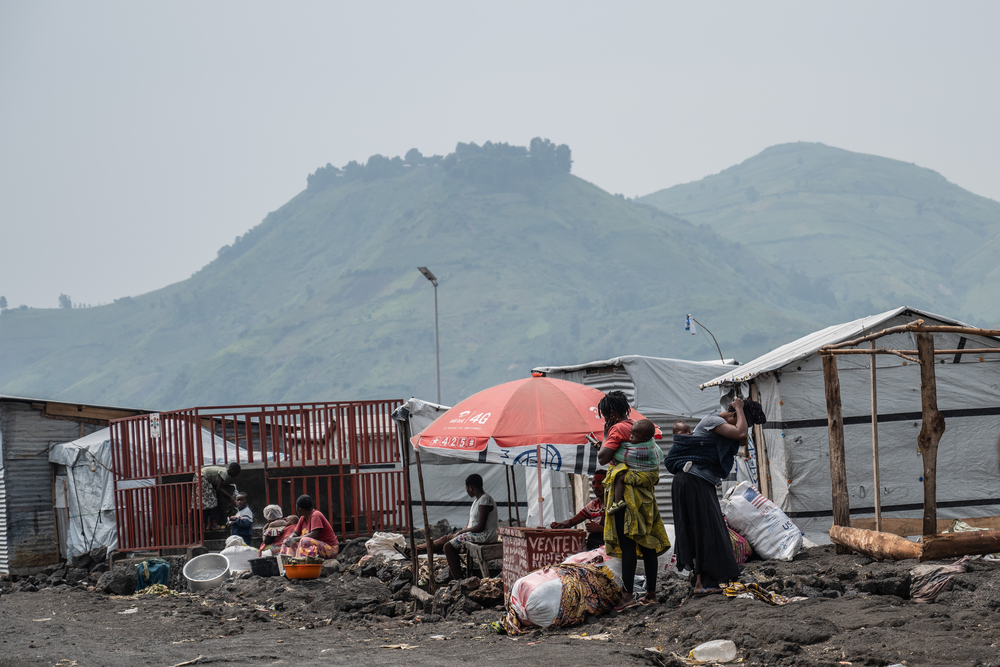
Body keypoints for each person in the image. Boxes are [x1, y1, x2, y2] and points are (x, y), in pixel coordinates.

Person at [593, 390, 670, 609]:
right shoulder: (636, 426)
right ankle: (651, 594)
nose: (605, 420)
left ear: (612, 412)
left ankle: (627, 597)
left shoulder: (617, 428)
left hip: (627, 495)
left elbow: (603, 458)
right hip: (645, 495)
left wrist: (607, 433)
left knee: (628, 545)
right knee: (647, 545)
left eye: (606, 415)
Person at [665, 397, 747, 596]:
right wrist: (740, 408)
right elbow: (741, 432)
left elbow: (742, 438)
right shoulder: (712, 420)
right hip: (691, 481)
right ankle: (703, 583)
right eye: (738, 418)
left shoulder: (716, 427)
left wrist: (740, 414)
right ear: (732, 416)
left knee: (707, 529)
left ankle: (703, 580)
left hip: (697, 482)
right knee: (704, 530)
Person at [402, 474, 498, 581]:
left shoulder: (485, 500)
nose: (466, 491)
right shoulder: (477, 501)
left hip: (484, 536)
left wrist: (462, 532)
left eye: (467, 488)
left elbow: (480, 526)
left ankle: (459, 580)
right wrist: (462, 532)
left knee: (448, 547)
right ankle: (414, 550)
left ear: (471, 487)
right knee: (446, 539)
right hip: (475, 534)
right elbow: (471, 521)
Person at [607, 419, 663, 515]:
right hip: (651, 477)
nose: (631, 437)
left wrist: (606, 447)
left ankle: (618, 502)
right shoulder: (653, 445)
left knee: (619, 477)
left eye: (635, 435)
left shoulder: (640, 449)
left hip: (645, 475)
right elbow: (660, 454)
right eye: (631, 433)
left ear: (645, 439)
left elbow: (618, 455)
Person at [550, 470, 607, 550]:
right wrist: (559, 524)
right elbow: (571, 522)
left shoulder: (614, 505)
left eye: (600, 483)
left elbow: (620, 533)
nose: (595, 486)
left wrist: (599, 529)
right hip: (596, 549)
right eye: (593, 483)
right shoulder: (593, 505)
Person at [281, 494, 339, 559]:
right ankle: (286, 565)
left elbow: (314, 535)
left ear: (299, 508)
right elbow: (296, 533)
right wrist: (290, 538)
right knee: (286, 541)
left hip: (330, 549)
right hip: (318, 545)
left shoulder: (315, 515)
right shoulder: (303, 518)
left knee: (304, 541)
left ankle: (302, 565)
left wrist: (294, 539)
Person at [196, 462, 241, 531]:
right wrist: (230, 498)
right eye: (236, 473)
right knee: (212, 502)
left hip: (200, 477)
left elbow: (220, 486)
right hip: (201, 478)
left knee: (210, 503)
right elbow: (219, 488)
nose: (236, 475)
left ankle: (209, 525)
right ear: (231, 470)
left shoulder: (224, 471)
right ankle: (214, 525)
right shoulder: (224, 473)